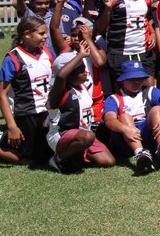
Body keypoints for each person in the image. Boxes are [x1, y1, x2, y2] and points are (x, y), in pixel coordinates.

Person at [0, 17, 54, 164]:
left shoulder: (46, 53)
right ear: (27, 34)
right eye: (41, 34)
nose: (46, 36)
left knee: (48, 153)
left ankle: (3, 140)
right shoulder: (13, 59)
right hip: (26, 113)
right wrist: (11, 125)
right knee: (29, 160)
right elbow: (2, 95)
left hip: (46, 111)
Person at [46, 41, 115, 173]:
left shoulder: (81, 86)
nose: (86, 74)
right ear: (69, 74)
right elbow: (60, 76)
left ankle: (76, 155)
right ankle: (58, 158)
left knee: (108, 161)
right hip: (61, 135)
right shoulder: (58, 92)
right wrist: (80, 55)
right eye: (81, 72)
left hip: (83, 134)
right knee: (87, 137)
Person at [102, 61, 160, 174]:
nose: (136, 82)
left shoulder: (150, 91)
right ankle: (140, 153)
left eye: (139, 78)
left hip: (149, 133)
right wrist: (125, 129)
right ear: (123, 80)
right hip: (125, 139)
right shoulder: (113, 98)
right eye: (132, 79)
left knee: (157, 109)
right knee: (125, 117)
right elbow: (109, 120)